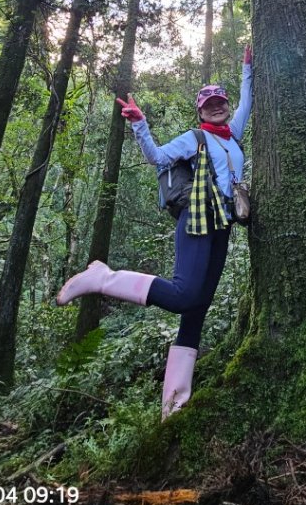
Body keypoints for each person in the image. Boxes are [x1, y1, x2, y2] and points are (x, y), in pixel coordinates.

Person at [56, 45, 253, 419]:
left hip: (223, 227)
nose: (217, 106)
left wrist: (248, 67)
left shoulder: (234, 133)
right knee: (183, 296)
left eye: (220, 101)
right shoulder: (194, 137)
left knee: (196, 308)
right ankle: (103, 277)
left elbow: (249, 99)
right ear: (199, 110)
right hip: (196, 222)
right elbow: (158, 158)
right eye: (209, 103)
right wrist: (139, 124)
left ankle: (174, 406)